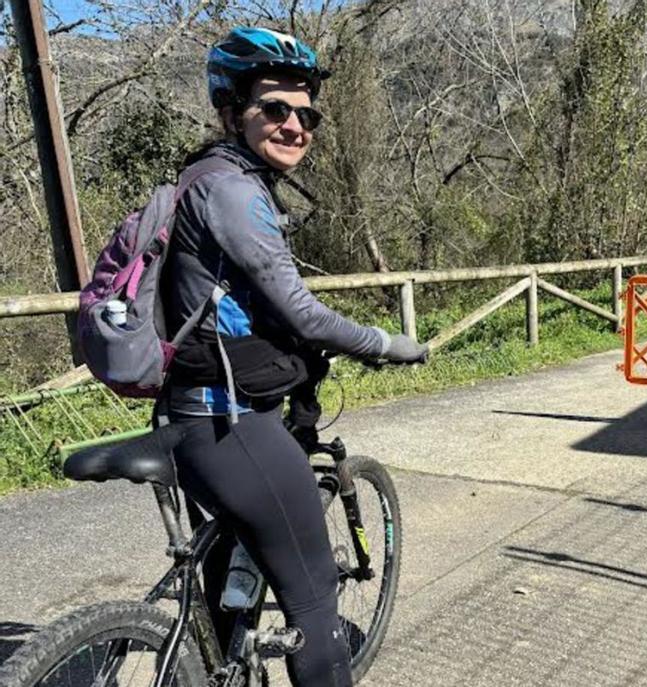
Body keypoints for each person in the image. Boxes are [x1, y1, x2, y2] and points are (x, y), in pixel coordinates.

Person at [159, 27, 426, 686]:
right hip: (228, 421)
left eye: (306, 114)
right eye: (273, 109)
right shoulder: (234, 191)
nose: (294, 125)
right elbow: (301, 310)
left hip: (191, 411)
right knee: (316, 610)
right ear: (231, 113)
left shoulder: (205, 176)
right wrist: (386, 343)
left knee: (229, 592)